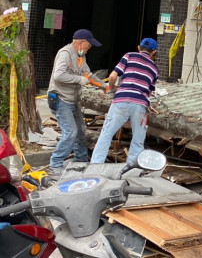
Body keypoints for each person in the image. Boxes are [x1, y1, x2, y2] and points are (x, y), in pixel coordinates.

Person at [90, 38, 159, 164]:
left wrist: (111, 87)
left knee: (106, 135)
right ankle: (131, 170)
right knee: (138, 141)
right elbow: (149, 92)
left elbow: (112, 76)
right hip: (140, 105)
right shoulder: (154, 68)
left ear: (139, 48)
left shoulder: (129, 56)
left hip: (121, 100)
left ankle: (95, 165)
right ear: (154, 52)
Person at [48, 29, 103, 176]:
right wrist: (79, 80)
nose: (89, 48)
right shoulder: (65, 54)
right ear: (81, 42)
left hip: (73, 100)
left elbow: (88, 74)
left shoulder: (81, 56)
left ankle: (80, 161)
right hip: (60, 98)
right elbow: (58, 75)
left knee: (80, 132)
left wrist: (104, 86)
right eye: (88, 45)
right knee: (70, 132)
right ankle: (55, 164)